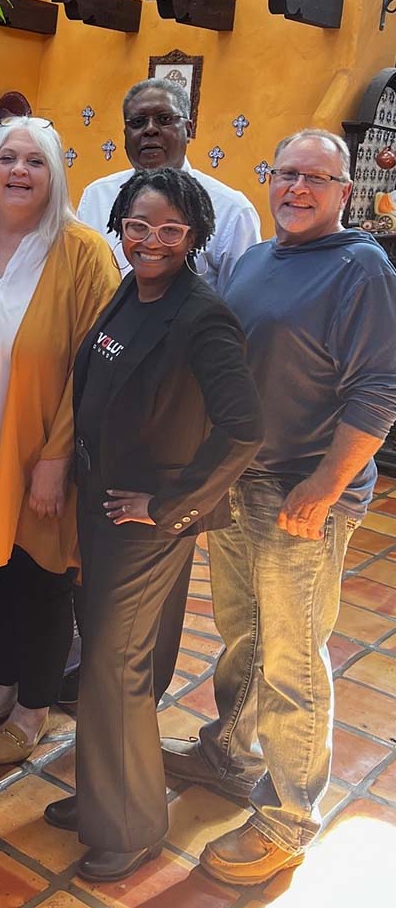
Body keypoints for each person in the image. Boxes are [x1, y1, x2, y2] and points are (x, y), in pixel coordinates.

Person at [160, 130, 396, 886]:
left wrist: (326, 486)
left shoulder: (359, 268)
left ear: (343, 189)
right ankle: (229, 752)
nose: (297, 189)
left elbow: (378, 391)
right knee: (243, 633)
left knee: (295, 659)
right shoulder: (259, 258)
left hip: (302, 492)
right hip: (239, 481)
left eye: (316, 179)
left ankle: (290, 816)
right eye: (286, 173)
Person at [42, 167, 263, 883]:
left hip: (145, 525)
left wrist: (171, 509)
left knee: (115, 669)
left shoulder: (201, 315)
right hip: (104, 511)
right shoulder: (128, 291)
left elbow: (243, 430)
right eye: (139, 226)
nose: (151, 241)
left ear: (194, 234)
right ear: (121, 226)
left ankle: (132, 828)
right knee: (109, 665)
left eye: (170, 230)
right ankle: (103, 796)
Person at [0, 117, 119, 765]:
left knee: (42, 580)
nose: (19, 172)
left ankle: (34, 708)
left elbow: (96, 366)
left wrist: (57, 457)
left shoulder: (82, 252)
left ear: (54, 174)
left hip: (39, 455)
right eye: (7, 158)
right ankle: (0, 687)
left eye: (35, 161)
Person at [77, 78, 260, 294]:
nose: (150, 130)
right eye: (137, 122)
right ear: (125, 134)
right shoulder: (97, 197)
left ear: (188, 129)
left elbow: (240, 305)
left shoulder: (232, 210)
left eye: (164, 119)